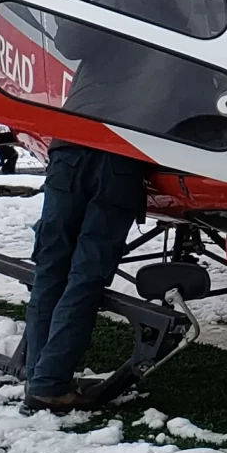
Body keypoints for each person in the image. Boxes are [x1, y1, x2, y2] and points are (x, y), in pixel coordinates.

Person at [19, 139, 150, 412]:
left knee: (49, 271)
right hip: (120, 155)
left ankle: (39, 377)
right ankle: (49, 384)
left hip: (67, 150)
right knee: (86, 277)